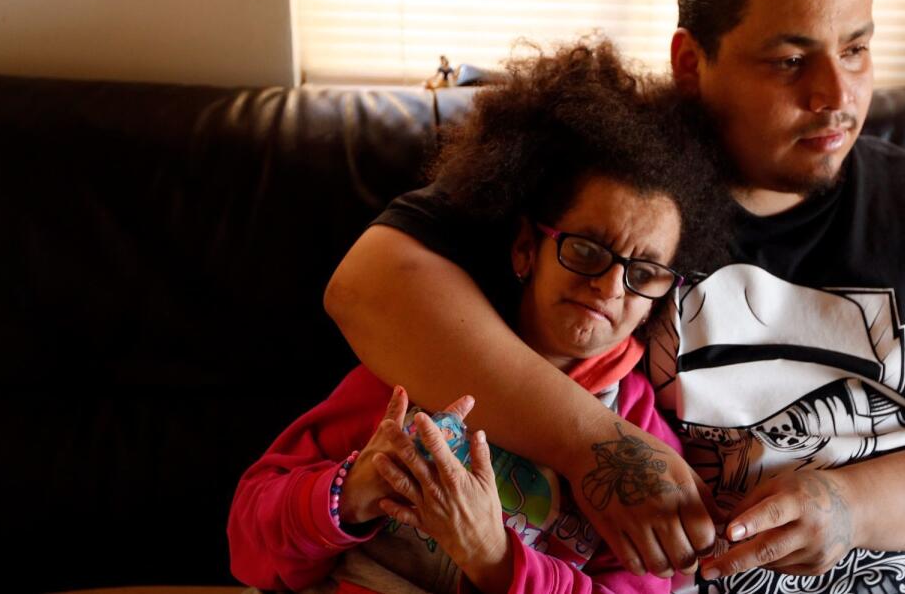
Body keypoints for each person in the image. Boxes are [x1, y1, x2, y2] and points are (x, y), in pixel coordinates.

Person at [323, 0, 905, 592]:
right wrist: (598, 446)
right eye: (788, 61)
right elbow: (370, 286)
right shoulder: (614, 185)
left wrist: (848, 508)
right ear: (689, 61)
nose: (837, 95)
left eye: (857, 49)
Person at [228, 42, 734, 593]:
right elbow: (250, 544)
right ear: (525, 249)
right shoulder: (419, 363)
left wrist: (493, 556)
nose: (610, 286)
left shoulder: (643, 445)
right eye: (587, 250)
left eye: (644, 273)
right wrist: (351, 492)